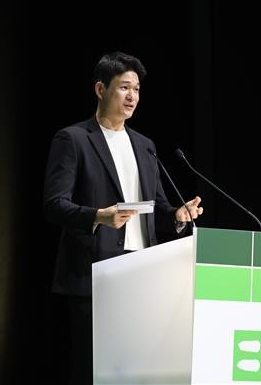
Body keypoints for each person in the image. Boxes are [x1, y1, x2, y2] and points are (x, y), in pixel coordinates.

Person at [42, 51, 203, 384]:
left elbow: (156, 208)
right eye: (124, 87)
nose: (133, 96)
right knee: (93, 372)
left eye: (137, 89)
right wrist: (98, 217)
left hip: (141, 274)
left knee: (135, 374)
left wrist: (177, 215)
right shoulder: (73, 139)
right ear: (101, 89)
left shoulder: (144, 145)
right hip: (95, 275)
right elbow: (54, 205)